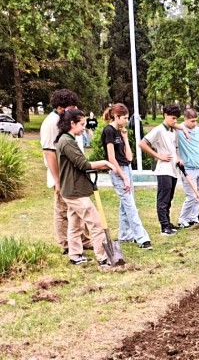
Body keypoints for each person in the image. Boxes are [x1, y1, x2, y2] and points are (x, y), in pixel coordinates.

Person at [55, 109, 115, 266]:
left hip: (72, 190)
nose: (84, 128)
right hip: (75, 192)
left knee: (75, 225)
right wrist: (105, 163)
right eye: (82, 124)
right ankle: (103, 258)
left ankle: (75, 255)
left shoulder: (66, 139)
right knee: (96, 224)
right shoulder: (67, 142)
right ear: (72, 124)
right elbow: (83, 164)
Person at [40, 89, 92, 254]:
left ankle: (84, 240)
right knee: (63, 210)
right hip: (61, 175)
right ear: (60, 108)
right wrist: (58, 181)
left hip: (72, 173)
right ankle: (66, 244)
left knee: (78, 209)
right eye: (71, 107)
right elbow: (49, 153)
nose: (75, 109)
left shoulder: (67, 120)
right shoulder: (51, 124)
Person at [101, 103, 152, 249]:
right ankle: (142, 238)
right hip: (117, 171)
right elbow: (111, 158)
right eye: (124, 118)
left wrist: (125, 138)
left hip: (126, 168)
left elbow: (129, 157)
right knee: (130, 206)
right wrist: (123, 177)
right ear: (116, 116)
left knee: (126, 204)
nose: (126, 121)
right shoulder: (108, 131)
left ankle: (125, 235)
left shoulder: (119, 132)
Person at [139, 104, 183, 236]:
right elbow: (142, 144)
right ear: (165, 115)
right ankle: (164, 226)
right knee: (163, 199)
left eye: (176, 119)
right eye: (173, 118)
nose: (175, 121)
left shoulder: (173, 131)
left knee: (169, 198)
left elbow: (174, 149)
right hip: (164, 170)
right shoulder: (158, 130)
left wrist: (178, 159)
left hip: (173, 169)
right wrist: (158, 156)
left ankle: (168, 223)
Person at [177, 108, 199, 229]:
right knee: (191, 196)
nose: (195, 123)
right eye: (192, 121)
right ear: (185, 119)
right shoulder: (179, 130)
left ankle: (194, 217)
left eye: (196, 120)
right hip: (188, 169)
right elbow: (170, 124)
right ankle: (183, 220)